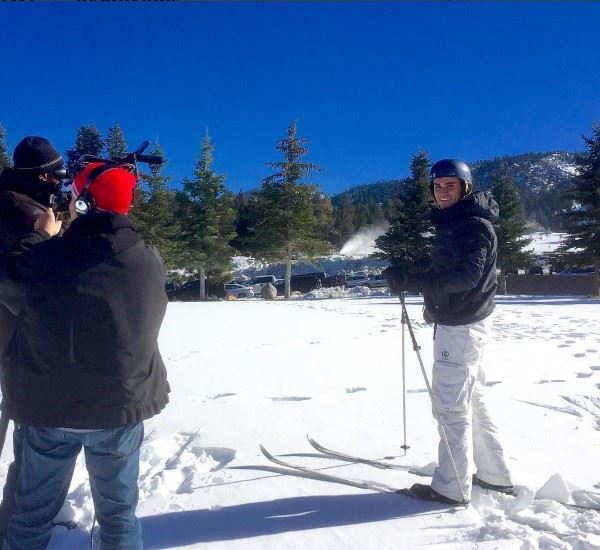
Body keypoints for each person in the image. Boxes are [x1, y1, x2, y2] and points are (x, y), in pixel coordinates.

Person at [0, 160, 170, 549]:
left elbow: (10, 279)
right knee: (119, 516)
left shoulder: (45, 258)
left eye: (75, 198)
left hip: (50, 410)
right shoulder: (149, 261)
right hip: (120, 410)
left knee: (31, 516)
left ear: (84, 206)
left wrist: (39, 238)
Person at [384, 159, 512, 505]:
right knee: (471, 400)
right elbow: (448, 266)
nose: (443, 192)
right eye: (438, 186)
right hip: (464, 322)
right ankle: (494, 474)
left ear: (465, 188)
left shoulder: (473, 226)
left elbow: (465, 277)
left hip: (461, 326)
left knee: (450, 407)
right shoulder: (457, 223)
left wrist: (415, 280)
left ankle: (451, 488)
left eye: (450, 186)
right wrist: (417, 266)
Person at [0, 136, 68, 544]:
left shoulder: (15, 200)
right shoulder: (21, 212)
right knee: (30, 440)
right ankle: (14, 526)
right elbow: (37, 278)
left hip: (15, 337)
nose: (59, 183)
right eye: (54, 176)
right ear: (39, 176)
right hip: (19, 341)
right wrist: (52, 235)